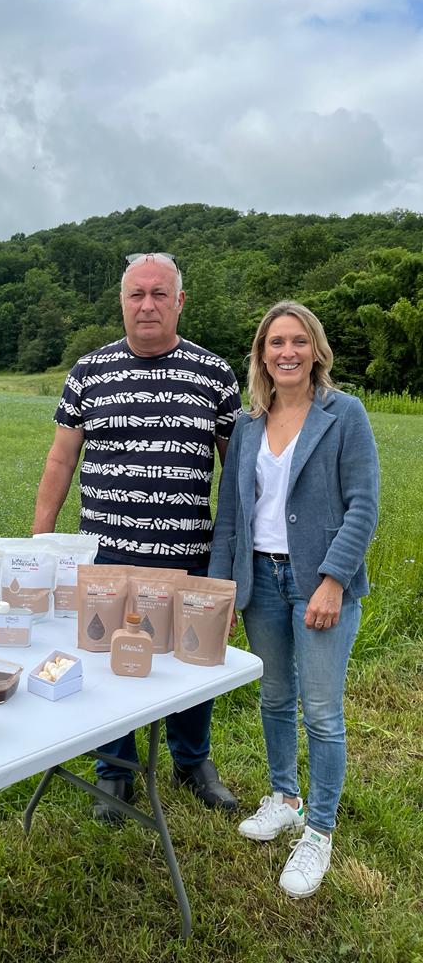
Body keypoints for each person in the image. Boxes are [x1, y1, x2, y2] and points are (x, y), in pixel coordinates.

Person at [32, 252, 242, 821]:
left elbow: (237, 473)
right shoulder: (89, 371)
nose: (147, 305)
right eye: (136, 295)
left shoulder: (214, 374)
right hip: (105, 558)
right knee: (103, 661)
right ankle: (115, 772)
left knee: (194, 663)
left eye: (159, 294)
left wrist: (232, 559)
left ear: (179, 302)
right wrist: (40, 544)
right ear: (121, 302)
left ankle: (193, 762)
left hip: (188, 556)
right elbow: (60, 461)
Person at [208, 301, 379, 898]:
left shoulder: (344, 414)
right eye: (276, 341)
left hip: (318, 584)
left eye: (298, 341)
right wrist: (225, 588)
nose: (287, 352)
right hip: (261, 583)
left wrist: (333, 579)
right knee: (276, 699)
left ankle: (320, 834)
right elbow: (230, 517)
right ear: (261, 354)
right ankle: (284, 797)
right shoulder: (249, 425)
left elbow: (363, 505)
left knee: (323, 714)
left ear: (316, 350)